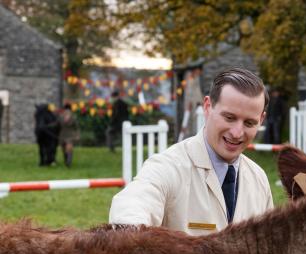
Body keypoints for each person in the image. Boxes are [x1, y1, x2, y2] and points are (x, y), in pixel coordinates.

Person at [109, 67, 274, 235]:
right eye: (229, 118)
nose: (237, 133)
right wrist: (130, 233)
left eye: (249, 123)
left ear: (261, 119)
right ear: (208, 107)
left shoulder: (259, 179)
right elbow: (132, 204)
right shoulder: (168, 167)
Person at [58, 103, 78, 167]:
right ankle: (67, 160)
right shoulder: (62, 116)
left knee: (68, 148)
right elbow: (57, 124)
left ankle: (68, 161)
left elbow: (76, 127)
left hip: (68, 135)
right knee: (65, 149)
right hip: (64, 135)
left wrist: (77, 135)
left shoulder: (73, 117)